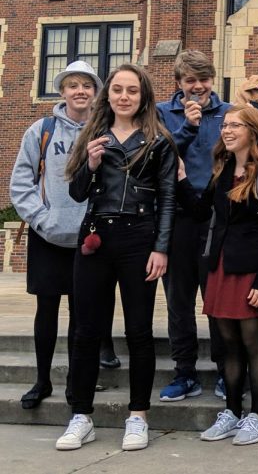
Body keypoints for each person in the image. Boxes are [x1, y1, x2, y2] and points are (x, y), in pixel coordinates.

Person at [56, 64, 177, 452]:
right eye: (118, 89)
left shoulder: (158, 140)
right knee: (86, 329)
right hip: (96, 237)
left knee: (139, 331)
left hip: (139, 238)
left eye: (133, 91)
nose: (124, 96)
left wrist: (161, 247)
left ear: (143, 97)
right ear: (107, 94)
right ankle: (80, 415)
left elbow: (169, 199)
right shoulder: (92, 135)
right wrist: (90, 165)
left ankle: (138, 416)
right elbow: (76, 193)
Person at [177, 105, 258, 445]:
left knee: (253, 342)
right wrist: (181, 178)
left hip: (253, 271)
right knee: (227, 344)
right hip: (221, 267)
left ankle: (257, 416)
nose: (226, 130)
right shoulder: (223, 170)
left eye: (235, 125)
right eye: (225, 125)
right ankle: (231, 411)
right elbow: (201, 212)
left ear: (253, 131)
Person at [9, 61, 120, 410]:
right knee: (46, 312)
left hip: (89, 239)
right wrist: (41, 219)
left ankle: (77, 381)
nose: (80, 91)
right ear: (63, 92)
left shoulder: (107, 131)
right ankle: (42, 380)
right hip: (48, 235)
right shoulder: (40, 130)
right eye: (73, 85)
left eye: (86, 85)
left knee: (81, 314)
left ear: (95, 92)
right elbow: (21, 183)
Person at [156, 50, 230, 402]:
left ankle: (224, 370)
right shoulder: (160, 113)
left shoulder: (229, 113)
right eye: (190, 81)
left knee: (216, 298)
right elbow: (160, 157)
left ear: (212, 79)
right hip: (177, 215)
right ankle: (184, 372)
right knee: (178, 300)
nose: (198, 87)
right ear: (179, 83)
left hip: (215, 216)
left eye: (203, 80)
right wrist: (189, 126)